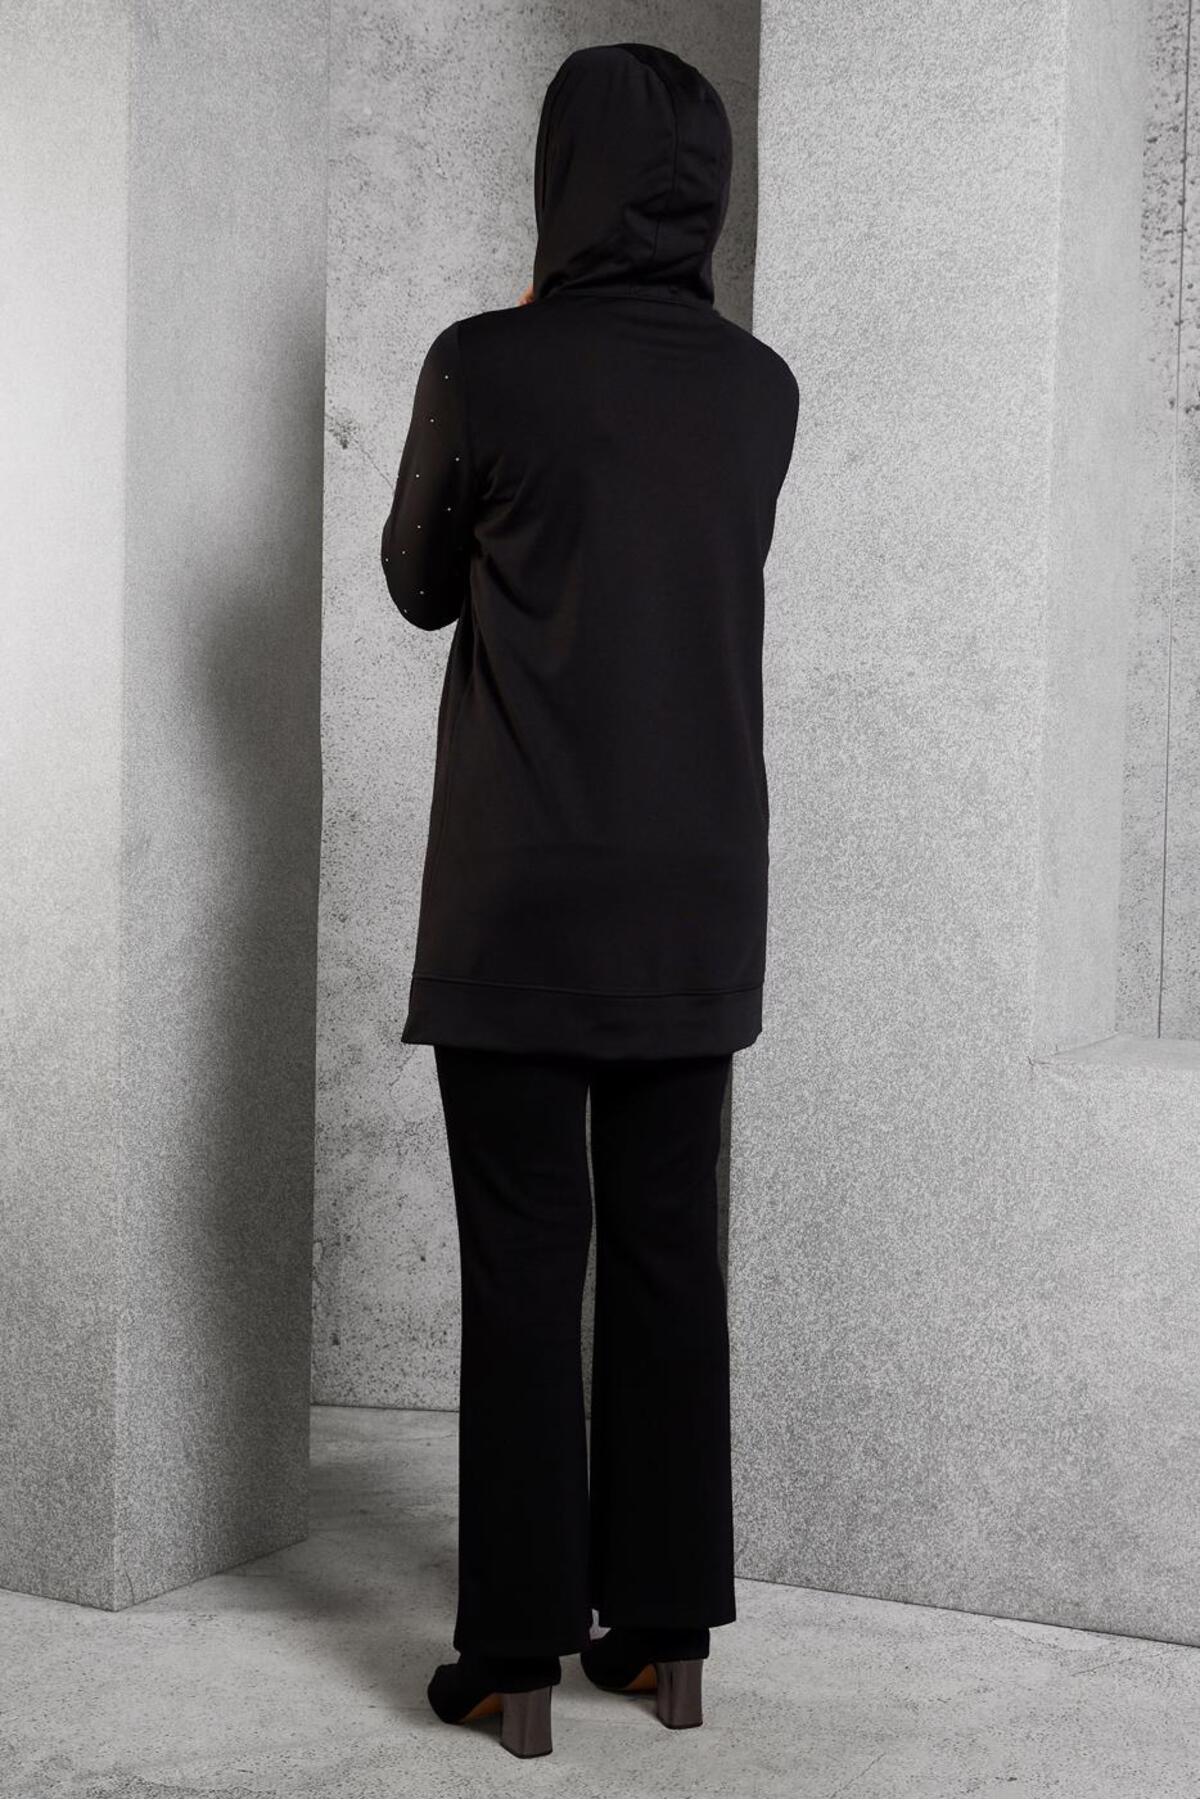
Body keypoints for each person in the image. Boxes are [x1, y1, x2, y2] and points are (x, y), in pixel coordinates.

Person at [380, 41, 799, 1759]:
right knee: (668, 1259)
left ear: (561, 176)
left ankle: (512, 1661)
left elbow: (419, 584)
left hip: (523, 894)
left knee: (523, 1263)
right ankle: (666, 1641)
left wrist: (520, 343)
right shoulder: (760, 387)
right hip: (697, 888)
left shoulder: (485, 365)